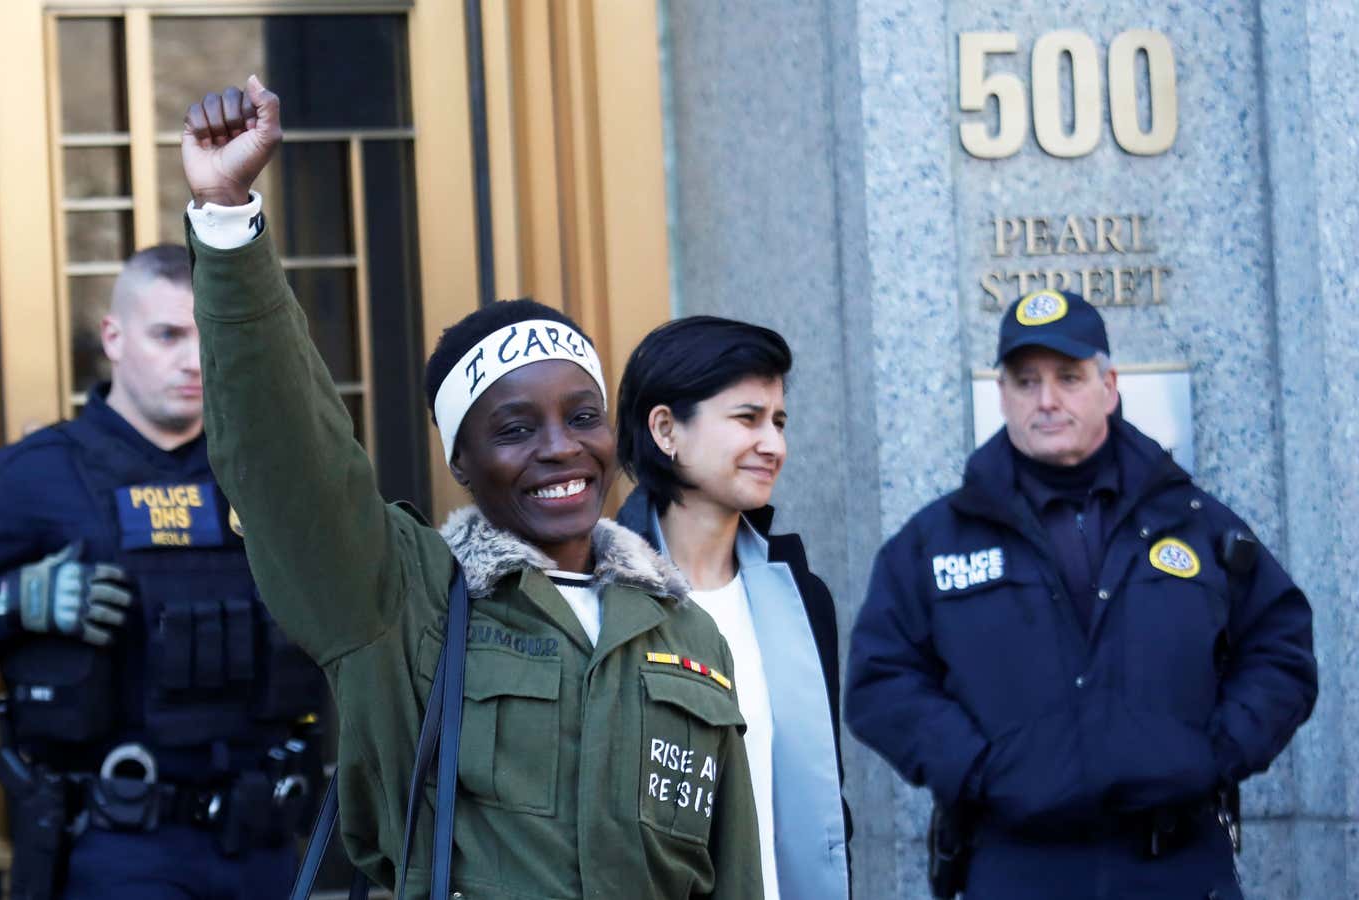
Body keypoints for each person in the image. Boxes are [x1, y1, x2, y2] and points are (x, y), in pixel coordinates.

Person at [179, 76, 761, 899]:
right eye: (516, 430)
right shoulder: (399, 597)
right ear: (462, 462)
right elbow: (286, 457)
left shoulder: (689, 637)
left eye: (583, 416)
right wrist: (230, 222)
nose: (561, 450)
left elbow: (733, 877)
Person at [0, 245, 325, 900]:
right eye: (168, 335)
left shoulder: (265, 473)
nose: (194, 361)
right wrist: (20, 599)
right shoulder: (35, 475)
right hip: (116, 849)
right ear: (113, 338)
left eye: (208, 336)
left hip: (265, 846)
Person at [844, 288, 1317, 899]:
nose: (1047, 400)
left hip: (1176, 866)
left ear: (1109, 384)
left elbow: (1280, 649)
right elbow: (881, 680)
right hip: (1014, 867)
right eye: (1025, 381)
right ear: (1002, 394)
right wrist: (979, 769)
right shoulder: (934, 542)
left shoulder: (1196, 524)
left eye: (1069, 377)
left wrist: (1214, 753)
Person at [614, 316, 850, 900]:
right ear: (666, 429)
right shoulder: (603, 598)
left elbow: (824, 805)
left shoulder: (801, 598)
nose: (774, 444)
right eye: (747, 418)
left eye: (778, 421)